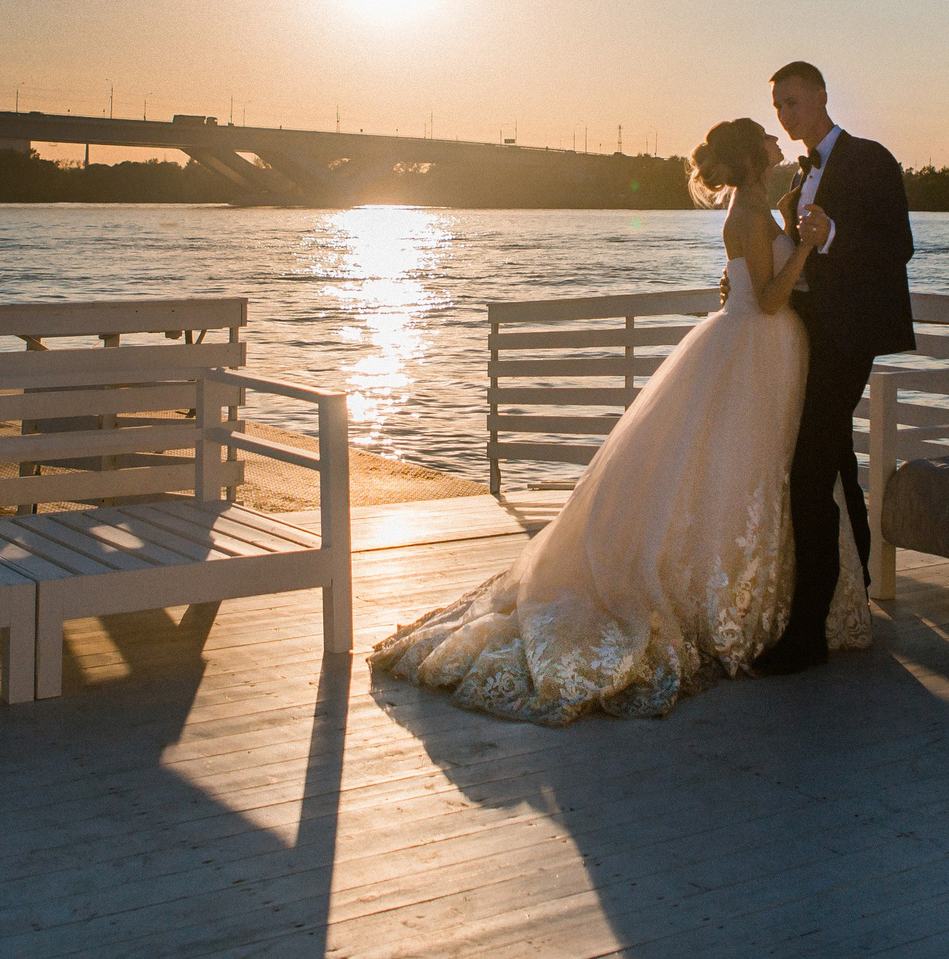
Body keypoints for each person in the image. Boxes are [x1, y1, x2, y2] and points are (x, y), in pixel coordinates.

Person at [369, 116, 868, 724]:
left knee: (751, 473)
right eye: (766, 133)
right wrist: (809, 249)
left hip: (760, 350)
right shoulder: (747, 214)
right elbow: (766, 300)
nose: (775, 139)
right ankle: (733, 606)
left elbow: (750, 282)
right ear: (754, 154)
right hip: (758, 349)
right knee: (748, 472)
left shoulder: (760, 208)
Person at [753, 60, 916, 675]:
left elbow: (900, 247)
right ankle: (858, 586)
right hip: (808, 336)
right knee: (838, 458)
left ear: (821, 96)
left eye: (793, 103)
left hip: (850, 337)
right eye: (778, 107)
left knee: (808, 468)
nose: (786, 116)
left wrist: (834, 233)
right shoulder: (797, 177)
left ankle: (807, 632)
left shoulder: (870, 159)